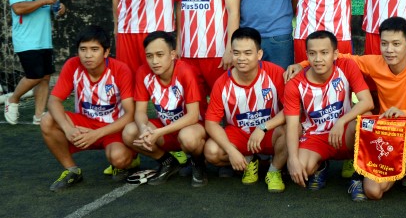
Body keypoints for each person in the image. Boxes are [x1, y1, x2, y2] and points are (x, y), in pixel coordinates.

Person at [287, 17, 406, 203]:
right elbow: (336, 56)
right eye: (384, 43)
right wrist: (301, 65)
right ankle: (404, 164)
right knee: (373, 191)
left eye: (396, 44)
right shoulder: (375, 62)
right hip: (389, 133)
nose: (389, 49)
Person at [40, 25, 136, 191]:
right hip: (84, 125)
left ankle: (128, 161)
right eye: (83, 49)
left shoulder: (121, 70)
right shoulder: (72, 65)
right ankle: (72, 170)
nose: (88, 55)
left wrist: (96, 134)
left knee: (119, 159)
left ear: (106, 52)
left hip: (114, 128)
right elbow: (54, 101)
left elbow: (130, 114)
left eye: (94, 49)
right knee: (47, 119)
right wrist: (68, 129)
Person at [284, 30, 373, 191]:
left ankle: (358, 174)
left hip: (343, 132)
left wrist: (341, 121)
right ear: (306, 55)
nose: (318, 59)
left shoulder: (347, 66)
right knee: (302, 169)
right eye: (312, 53)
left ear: (335, 54)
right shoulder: (294, 83)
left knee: (366, 119)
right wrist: (292, 159)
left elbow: (367, 102)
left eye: (324, 53)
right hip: (315, 136)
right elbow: (291, 125)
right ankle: (321, 166)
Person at [204, 27, 288, 192]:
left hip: (269, 132)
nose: (241, 58)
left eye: (248, 53)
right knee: (211, 151)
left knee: (294, 128)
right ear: (231, 53)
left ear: (259, 54)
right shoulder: (222, 83)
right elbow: (211, 123)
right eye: (236, 53)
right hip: (240, 135)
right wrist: (231, 151)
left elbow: (292, 110)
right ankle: (249, 160)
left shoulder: (275, 72)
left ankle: (274, 170)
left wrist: (263, 127)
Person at [122, 31, 208, 187]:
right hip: (166, 130)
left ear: (172, 54)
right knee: (130, 132)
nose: (154, 61)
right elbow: (140, 111)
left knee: (188, 137)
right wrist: (143, 128)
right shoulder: (143, 72)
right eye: (149, 56)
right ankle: (168, 162)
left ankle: (198, 163)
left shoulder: (185, 71)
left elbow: (193, 116)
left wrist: (158, 132)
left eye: (160, 55)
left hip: (193, 129)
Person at [4, 0, 66, 125]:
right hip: (27, 40)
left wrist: (59, 9)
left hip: (44, 39)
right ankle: (13, 99)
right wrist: (44, 0)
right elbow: (18, 8)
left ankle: (39, 116)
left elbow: (48, 7)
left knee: (45, 77)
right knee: (35, 75)